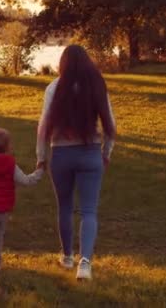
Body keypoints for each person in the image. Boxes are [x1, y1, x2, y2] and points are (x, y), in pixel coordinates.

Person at [36, 45, 116, 280]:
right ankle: (85, 263)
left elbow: (43, 128)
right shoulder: (97, 86)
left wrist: (41, 158)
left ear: (63, 64)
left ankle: (68, 257)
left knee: (65, 207)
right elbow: (110, 125)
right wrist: (106, 152)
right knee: (89, 211)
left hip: (61, 154)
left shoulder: (54, 88)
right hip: (91, 153)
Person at [0, 128, 43, 277]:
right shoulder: (11, 164)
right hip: (2, 210)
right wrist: (39, 171)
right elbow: (25, 180)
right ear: (8, 147)